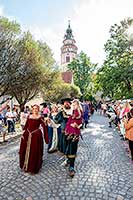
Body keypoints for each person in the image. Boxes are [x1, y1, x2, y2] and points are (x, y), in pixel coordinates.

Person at [19, 104, 49, 174]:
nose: (35, 110)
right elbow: (26, 125)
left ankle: (32, 168)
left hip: (36, 136)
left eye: (36, 109)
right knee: (25, 150)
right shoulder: (29, 116)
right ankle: (25, 165)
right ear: (32, 109)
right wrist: (23, 133)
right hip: (27, 134)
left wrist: (46, 138)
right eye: (34, 108)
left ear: (38, 110)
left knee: (34, 151)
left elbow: (44, 126)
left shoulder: (40, 117)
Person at [65, 99, 83, 177]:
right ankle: (69, 160)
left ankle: (71, 167)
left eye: (76, 105)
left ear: (78, 105)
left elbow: (81, 124)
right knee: (68, 148)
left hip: (75, 134)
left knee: (73, 149)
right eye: (73, 104)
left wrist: (77, 126)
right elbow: (68, 122)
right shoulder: (72, 113)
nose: (74, 106)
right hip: (68, 133)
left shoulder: (79, 114)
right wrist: (66, 129)